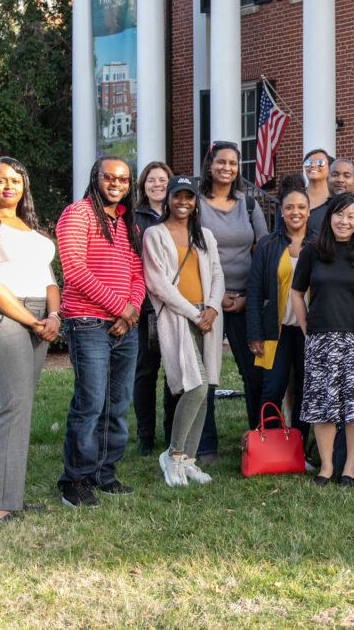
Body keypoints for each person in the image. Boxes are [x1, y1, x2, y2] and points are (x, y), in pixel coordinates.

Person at [0, 157, 60, 522]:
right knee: (15, 402)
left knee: (22, 405)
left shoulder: (32, 229)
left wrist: (53, 317)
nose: (9, 186)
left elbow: (49, 278)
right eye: (1, 181)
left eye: (16, 181)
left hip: (41, 316)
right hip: (3, 316)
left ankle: (12, 496)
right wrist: (34, 323)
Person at [56, 156, 144, 507]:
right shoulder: (77, 214)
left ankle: (103, 474)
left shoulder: (129, 224)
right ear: (96, 178)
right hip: (88, 323)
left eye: (123, 179)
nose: (116, 184)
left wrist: (132, 311)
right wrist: (119, 307)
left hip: (125, 326)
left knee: (118, 404)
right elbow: (75, 271)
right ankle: (74, 480)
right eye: (109, 177)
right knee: (90, 403)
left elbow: (139, 274)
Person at [290, 193, 354, 487]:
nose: (344, 221)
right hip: (321, 338)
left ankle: (350, 468)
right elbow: (296, 291)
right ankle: (327, 467)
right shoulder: (313, 251)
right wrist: (306, 325)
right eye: (339, 214)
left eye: (351, 216)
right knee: (323, 406)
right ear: (330, 217)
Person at [142, 176, 224, 487]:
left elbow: (217, 273)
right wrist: (195, 313)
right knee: (196, 385)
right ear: (168, 199)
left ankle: (189, 459)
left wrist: (213, 308)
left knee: (207, 386)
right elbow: (159, 283)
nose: (183, 203)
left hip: (208, 316)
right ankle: (173, 455)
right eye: (178, 196)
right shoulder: (155, 235)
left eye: (189, 197)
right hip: (179, 316)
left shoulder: (205, 235)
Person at [195, 141, 269, 463]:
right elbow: (188, 253)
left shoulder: (248, 205)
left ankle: (260, 436)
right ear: (209, 165)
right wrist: (216, 296)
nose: (227, 168)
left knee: (254, 373)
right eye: (220, 162)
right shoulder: (195, 204)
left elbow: (263, 250)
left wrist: (249, 298)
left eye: (233, 163)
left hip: (245, 301)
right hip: (207, 300)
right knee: (206, 374)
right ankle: (205, 444)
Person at [247, 175, 316, 453]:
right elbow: (253, 291)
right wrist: (254, 332)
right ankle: (271, 447)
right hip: (274, 330)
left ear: (309, 211)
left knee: (305, 390)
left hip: (308, 331)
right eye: (289, 207)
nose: (295, 212)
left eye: (301, 207)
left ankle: (298, 447)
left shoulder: (320, 243)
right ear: (281, 211)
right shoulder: (266, 245)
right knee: (272, 388)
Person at [132, 161, 174, 456]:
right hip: (147, 305)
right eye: (152, 180)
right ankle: (145, 435)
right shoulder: (134, 218)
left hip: (176, 304)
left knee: (175, 371)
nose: (158, 184)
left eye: (163, 179)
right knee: (146, 371)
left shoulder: (181, 213)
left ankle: (172, 431)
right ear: (143, 185)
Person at [307, 157, 354, 235]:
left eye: (346, 176)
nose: (340, 180)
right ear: (327, 181)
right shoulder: (312, 217)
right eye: (335, 175)